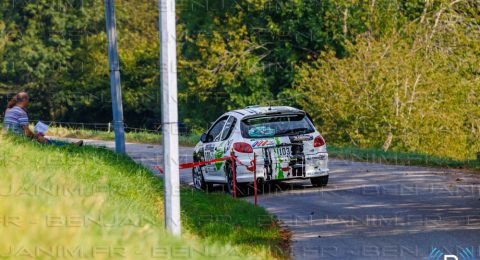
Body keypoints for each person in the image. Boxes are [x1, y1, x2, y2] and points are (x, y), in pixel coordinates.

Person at [3, 92, 83, 146]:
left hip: (9, 138)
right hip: (19, 140)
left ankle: (70, 144)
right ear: (24, 100)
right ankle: (69, 145)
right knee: (44, 139)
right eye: (28, 99)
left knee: (42, 138)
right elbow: (27, 133)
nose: (28, 101)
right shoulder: (21, 112)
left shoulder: (9, 110)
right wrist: (36, 136)